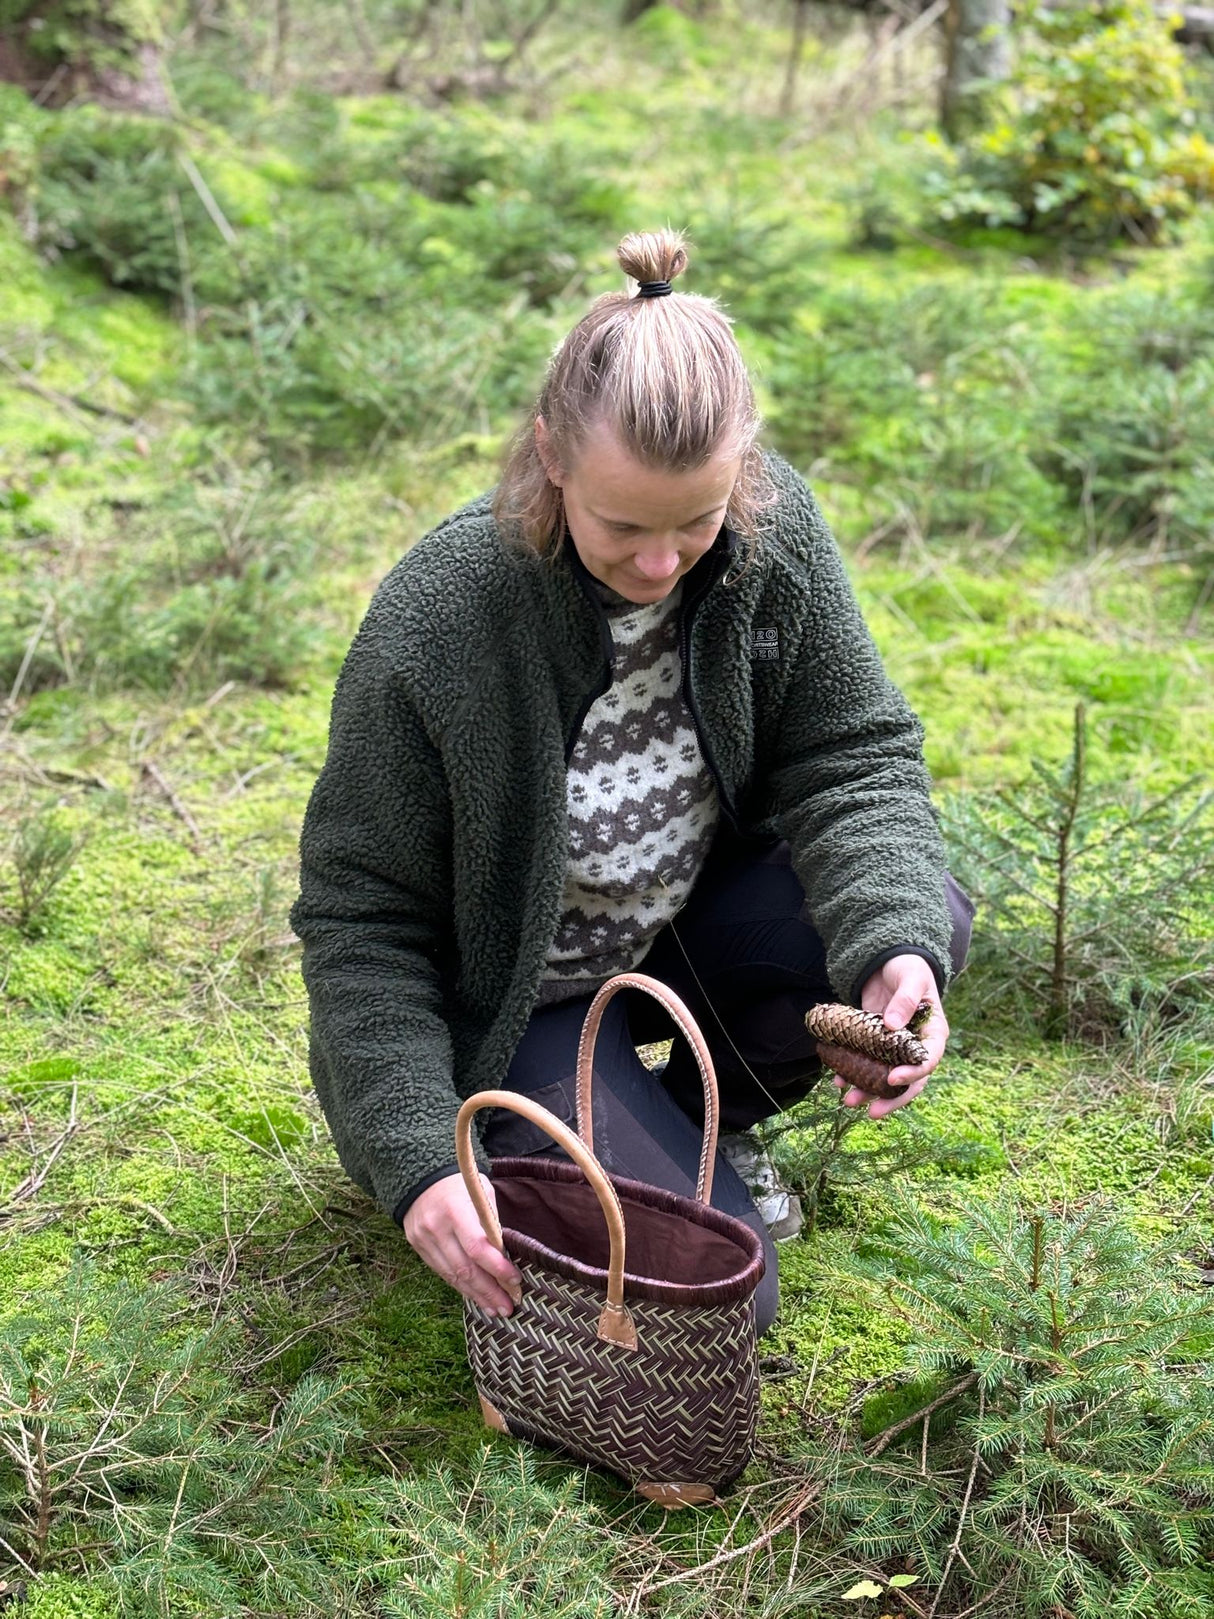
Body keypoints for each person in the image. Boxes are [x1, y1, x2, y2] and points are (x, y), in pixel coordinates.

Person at [290, 228, 973, 1339]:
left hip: (677, 935)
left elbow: (850, 750)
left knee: (918, 911)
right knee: (716, 1305)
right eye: (621, 525)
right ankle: (550, 1129)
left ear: (740, 475)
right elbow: (361, 916)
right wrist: (417, 1159)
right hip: (520, 1003)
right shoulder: (439, 622)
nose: (661, 563)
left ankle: (712, 1119)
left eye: (693, 522)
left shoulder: (772, 533)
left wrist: (890, 941)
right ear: (552, 455)